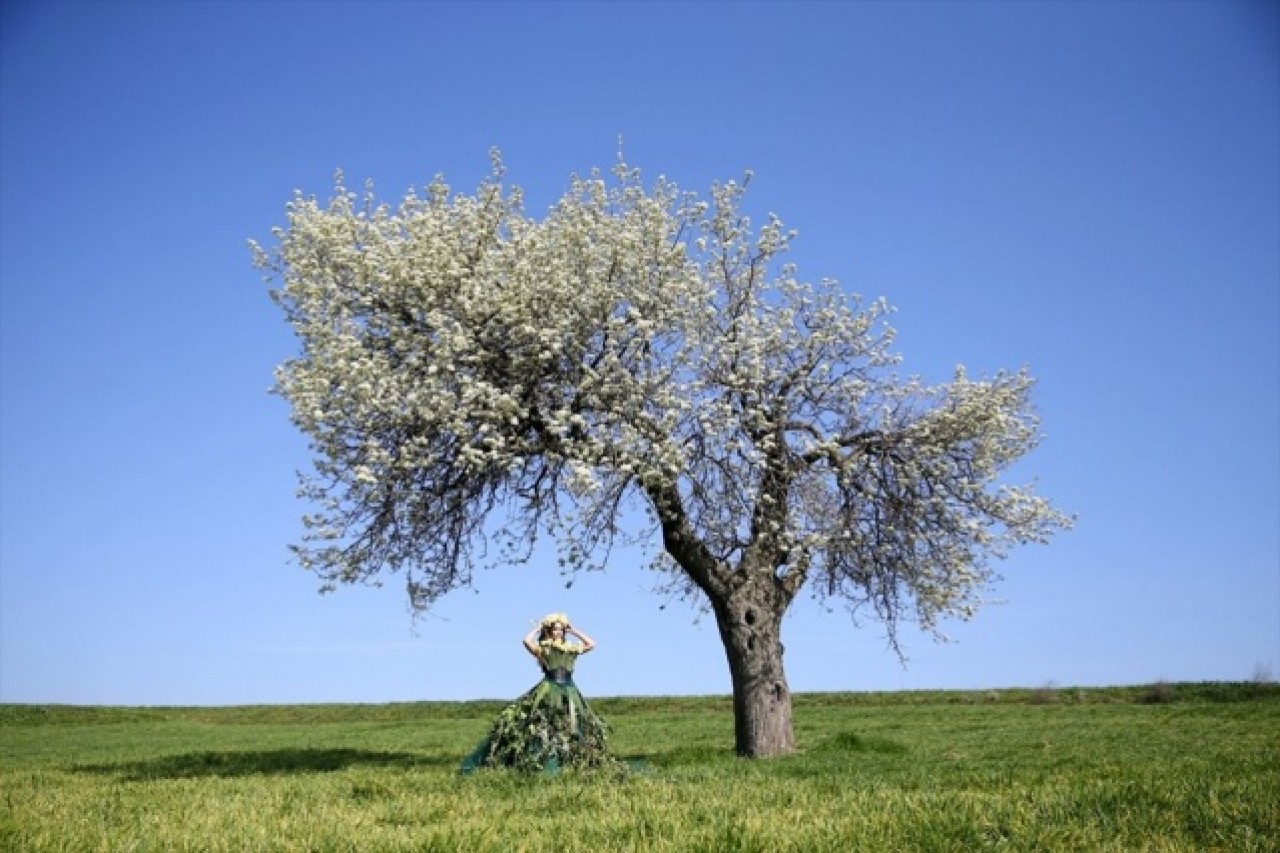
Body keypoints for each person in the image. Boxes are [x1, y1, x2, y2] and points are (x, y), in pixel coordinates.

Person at [459, 612, 616, 773]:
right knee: (545, 722)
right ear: (549, 631)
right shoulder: (544, 648)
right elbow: (526, 641)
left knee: (573, 722)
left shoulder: (571, 648)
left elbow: (591, 643)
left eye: (561, 629)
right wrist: (538, 628)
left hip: (569, 689)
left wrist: (573, 630)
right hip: (549, 688)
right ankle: (540, 758)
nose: (558, 632)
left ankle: (572, 759)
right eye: (555, 629)